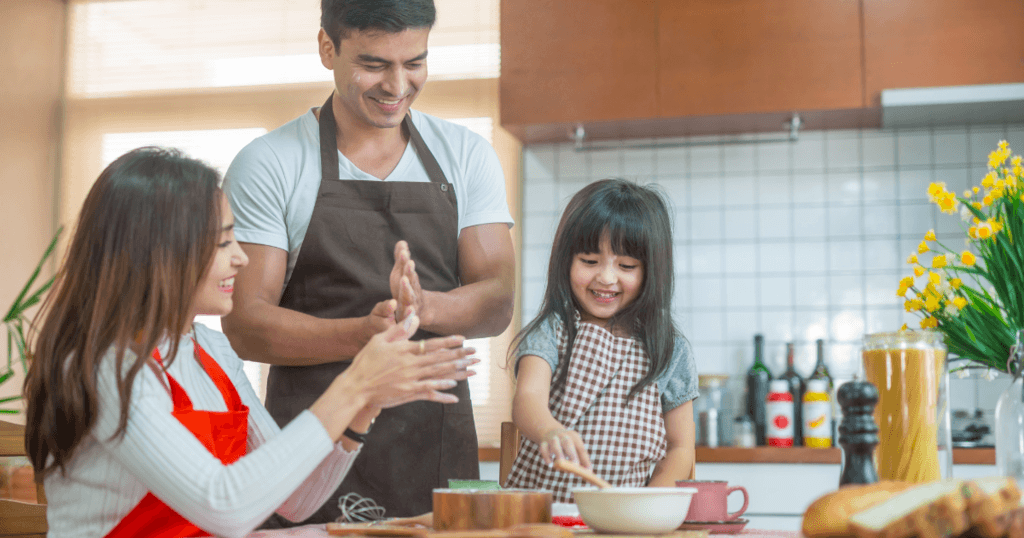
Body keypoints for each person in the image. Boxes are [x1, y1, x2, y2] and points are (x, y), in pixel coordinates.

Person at [23, 147, 477, 538]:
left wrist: (365, 406)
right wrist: (354, 384)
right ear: (159, 253)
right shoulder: (108, 365)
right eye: (222, 244)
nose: (240, 257)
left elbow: (296, 502)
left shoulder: (211, 351)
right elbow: (225, 506)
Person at [220, 0, 515, 523]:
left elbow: (496, 301)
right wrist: (367, 335)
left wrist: (426, 306)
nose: (397, 86)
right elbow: (247, 324)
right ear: (326, 48)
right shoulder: (272, 162)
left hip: (436, 446)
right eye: (374, 64)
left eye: (415, 63)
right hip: (310, 444)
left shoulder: (466, 154)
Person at [503, 179, 698, 503]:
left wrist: (647, 507)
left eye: (626, 266)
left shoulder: (668, 348)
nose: (606, 278)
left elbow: (680, 447)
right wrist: (549, 430)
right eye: (590, 261)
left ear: (652, 271)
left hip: (624, 519)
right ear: (565, 260)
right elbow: (527, 400)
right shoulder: (552, 330)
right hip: (541, 514)